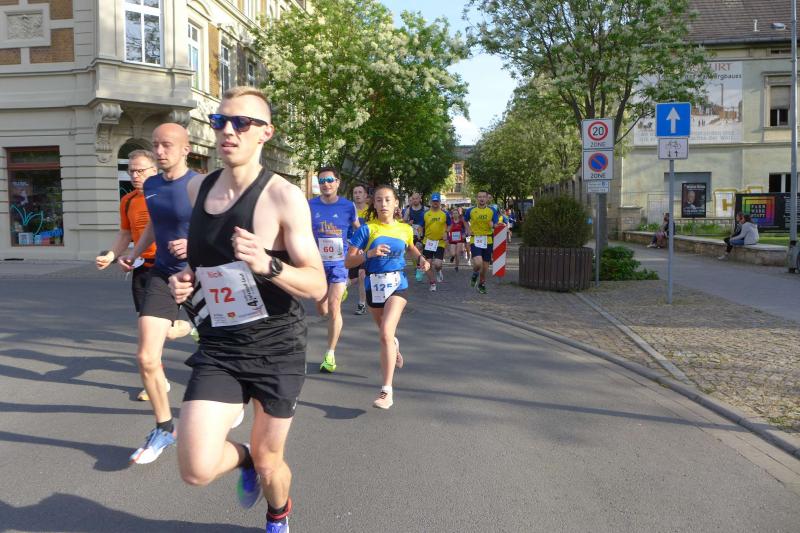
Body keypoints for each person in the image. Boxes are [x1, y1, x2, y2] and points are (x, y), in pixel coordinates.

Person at [169, 86, 326, 533]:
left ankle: (278, 514)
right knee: (195, 468)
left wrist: (268, 264)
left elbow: (317, 284)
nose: (228, 131)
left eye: (242, 123)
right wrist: (187, 278)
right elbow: (206, 261)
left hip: (276, 348)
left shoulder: (283, 197)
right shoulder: (198, 187)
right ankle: (245, 460)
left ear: (265, 133)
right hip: (220, 346)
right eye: (220, 122)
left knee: (272, 461)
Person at [118, 124, 197, 464]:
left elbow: (222, 230)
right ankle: (164, 427)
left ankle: (233, 400)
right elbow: (154, 225)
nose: (160, 151)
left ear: (185, 149)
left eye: (167, 145)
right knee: (147, 358)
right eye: (156, 145)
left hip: (204, 276)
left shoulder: (199, 185)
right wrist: (134, 254)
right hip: (163, 274)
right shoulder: (151, 185)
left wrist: (195, 246)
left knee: (230, 352)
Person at [96, 150, 192, 401]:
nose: (135, 176)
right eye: (131, 171)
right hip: (143, 268)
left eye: (140, 170)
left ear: (154, 170)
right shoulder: (128, 200)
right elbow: (125, 233)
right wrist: (112, 255)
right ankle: (159, 381)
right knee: (148, 331)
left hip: (175, 267)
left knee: (169, 330)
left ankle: (184, 328)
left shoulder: (168, 194)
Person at [346, 184, 429, 409]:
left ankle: (386, 391)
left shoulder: (404, 228)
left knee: (385, 332)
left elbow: (410, 248)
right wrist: (369, 254)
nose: (383, 204)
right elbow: (348, 261)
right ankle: (394, 344)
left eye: (388, 200)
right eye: (379, 200)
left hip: (398, 284)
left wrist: (421, 259)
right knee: (386, 334)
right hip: (374, 285)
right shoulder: (367, 229)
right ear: (374, 204)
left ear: (396, 204)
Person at [309, 167, 359, 373]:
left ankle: (330, 354)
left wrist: (358, 249)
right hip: (317, 264)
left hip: (339, 263)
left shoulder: (348, 206)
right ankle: (339, 289)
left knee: (334, 306)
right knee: (322, 310)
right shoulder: (309, 205)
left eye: (330, 180)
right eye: (322, 181)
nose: (326, 184)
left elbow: (358, 229)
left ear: (338, 182)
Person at [464, 191, 499, 294]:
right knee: (478, 263)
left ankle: (481, 284)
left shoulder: (492, 210)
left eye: (484, 197)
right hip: (475, 239)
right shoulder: (470, 210)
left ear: (487, 198)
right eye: (479, 197)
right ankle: (475, 273)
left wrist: (493, 225)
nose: (482, 199)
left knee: (484, 268)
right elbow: (465, 220)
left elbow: (496, 224)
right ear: (477, 198)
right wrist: (468, 229)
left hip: (488, 239)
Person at [349, 183, 371, 315]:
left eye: (360, 192)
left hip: (366, 248)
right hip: (350, 248)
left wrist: (365, 246)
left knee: (362, 275)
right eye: (355, 193)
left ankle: (362, 304)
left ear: (365, 195)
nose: (357, 195)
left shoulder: (371, 212)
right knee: (350, 279)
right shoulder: (349, 210)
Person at [422, 192, 450, 291]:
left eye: (437, 201)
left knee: (438, 264)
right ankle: (433, 283)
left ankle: (438, 271)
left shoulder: (445, 214)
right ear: (430, 202)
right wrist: (419, 233)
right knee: (427, 264)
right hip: (428, 242)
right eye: (433, 201)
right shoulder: (425, 214)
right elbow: (420, 226)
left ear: (440, 202)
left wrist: (446, 232)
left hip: (439, 242)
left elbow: (450, 224)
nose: (435, 203)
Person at [446, 207, 467, 272]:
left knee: (457, 253)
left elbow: (465, 228)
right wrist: (447, 236)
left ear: (458, 214)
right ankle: (452, 257)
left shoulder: (461, 221)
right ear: (452, 215)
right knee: (453, 253)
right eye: (454, 213)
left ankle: (456, 266)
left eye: (456, 213)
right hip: (452, 239)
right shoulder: (450, 221)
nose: (455, 214)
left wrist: (464, 234)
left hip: (460, 239)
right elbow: (447, 229)